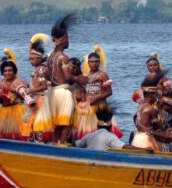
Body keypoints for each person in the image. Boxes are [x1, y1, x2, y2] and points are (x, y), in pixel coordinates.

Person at [73, 45, 120, 140]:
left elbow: (109, 92)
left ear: (99, 62)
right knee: (86, 133)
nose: (94, 64)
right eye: (91, 62)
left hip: (100, 107)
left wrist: (97, 98)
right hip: (88, 107)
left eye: (96, 62)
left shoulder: (102, 75)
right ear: (88, 63)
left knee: (100, 132)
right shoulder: (85, 75)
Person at [47, 14, 78, 143]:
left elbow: (48, 76)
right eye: (68, 38)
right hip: (62, 93)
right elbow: (67, 77)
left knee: (57, 125)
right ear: (63, 39)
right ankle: (63, 145)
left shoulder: (50, 57)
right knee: (67, 122)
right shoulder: (63, 57)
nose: (69, 40)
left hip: (52, 93)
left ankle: (54, 145)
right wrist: (79, 79)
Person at [0, 49, 30, 140]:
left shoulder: (18, 82)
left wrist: (14, 90)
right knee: (4, 135)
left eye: (10, 70)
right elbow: (1, 101)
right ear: (2, 72)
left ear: (14, 71)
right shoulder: (2, 82)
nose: (7, 73)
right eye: (5, 71)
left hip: (17, 111)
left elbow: (25, 95)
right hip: (4, 112)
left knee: (17, 135)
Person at [75, 106, 143, 151]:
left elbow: (76, 144)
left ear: (97, 125)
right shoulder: (110, 137)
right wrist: (143, 149)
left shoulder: (89, 136)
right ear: (110, 126)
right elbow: (125, 147)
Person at [26, 34, 54, 142]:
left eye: (32, 59)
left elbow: (43, 86)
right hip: (37, 98)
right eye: (30, 59)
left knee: (39, 124)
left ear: (39, 58)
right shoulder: (38, 68)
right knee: (33, 123)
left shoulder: (41, 69)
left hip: (41, 100)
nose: (30, 61)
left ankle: (41, 143)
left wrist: (29, 90)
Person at [132, 82, 163, 151]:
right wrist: (160, 109)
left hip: (137, 138)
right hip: (146, 140)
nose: (156, 97)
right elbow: (159, 126)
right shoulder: (151, 109)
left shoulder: (140, 106)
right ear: (150, 95)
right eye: (156, 94)